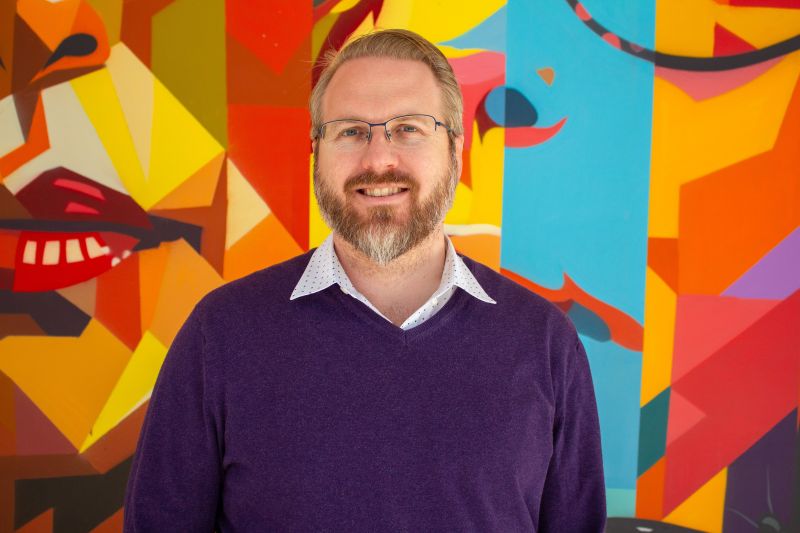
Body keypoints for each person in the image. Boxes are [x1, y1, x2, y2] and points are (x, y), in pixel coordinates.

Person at [123, 29, 606, 532]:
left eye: (409, 129)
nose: (378, 160)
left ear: (456, 150)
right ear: (316, 151)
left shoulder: (544, 343)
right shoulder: (221, 333)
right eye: (351, 131)